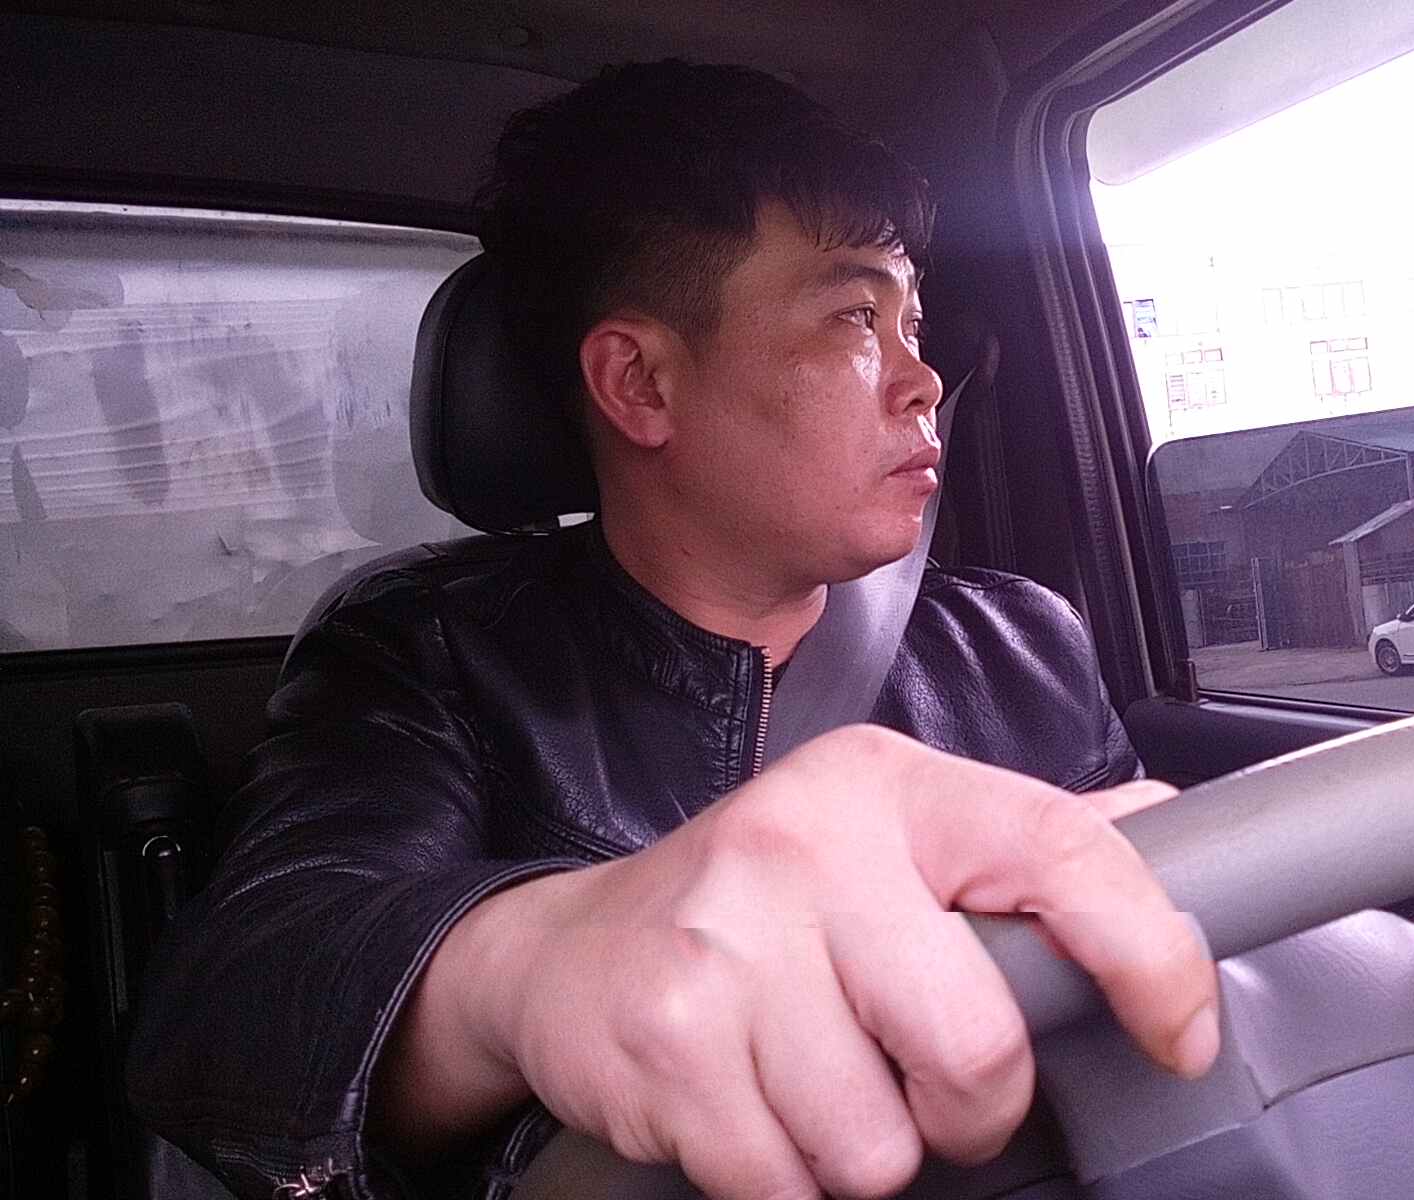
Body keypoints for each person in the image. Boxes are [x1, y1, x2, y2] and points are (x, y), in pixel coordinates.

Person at [127, 60, 1219, 1200]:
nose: (924, 380)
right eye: (856, 316)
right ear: (640, 383)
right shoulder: (424, 654)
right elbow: (238, 1004)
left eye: (914, 322)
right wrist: (542, 961)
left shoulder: (1021, 645)